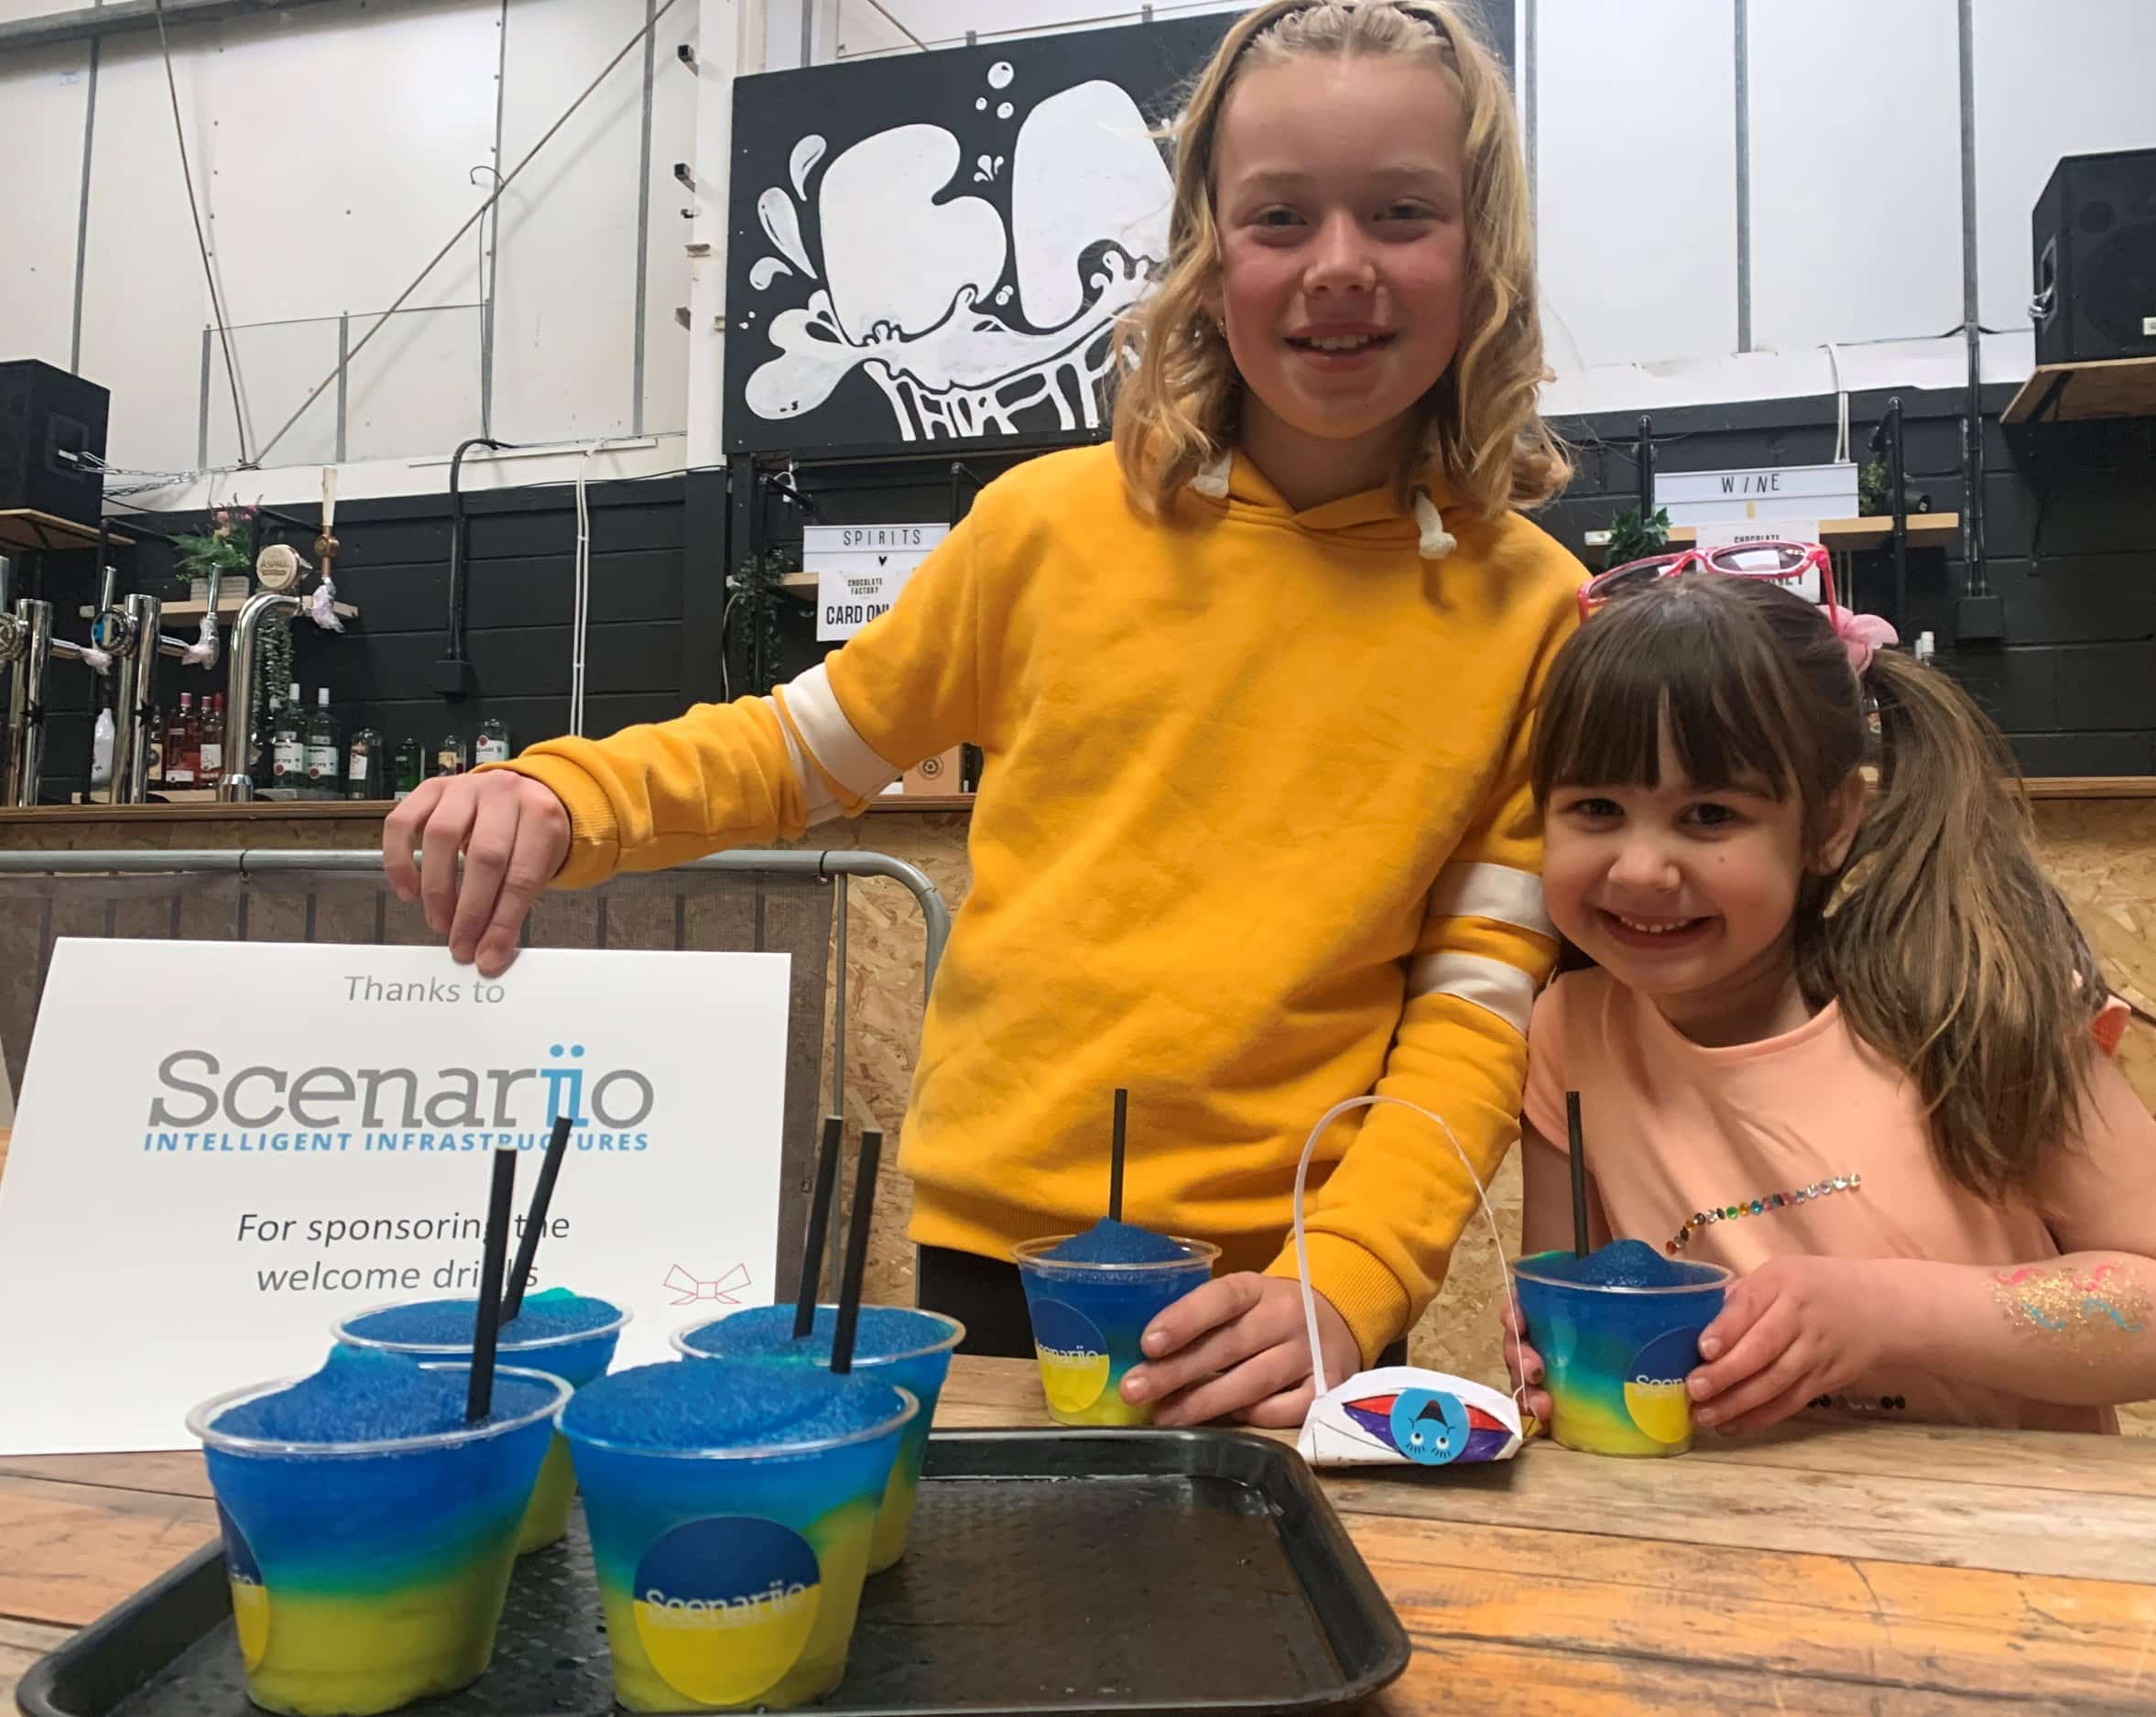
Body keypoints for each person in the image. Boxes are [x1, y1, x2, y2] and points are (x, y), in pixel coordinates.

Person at [384, 0, 1583, 1427]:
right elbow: (791, 749)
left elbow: (1474, 1008)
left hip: (1277, 1284)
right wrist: (566, 793)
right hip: (993, 1254)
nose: (1338, 267)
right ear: (1205, 248)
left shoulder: (1537, 614)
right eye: (1277, 218)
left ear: (1483, 246)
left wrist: (1356, 1268)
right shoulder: (1044, 529)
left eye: (1401, 212)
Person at [1507, 566, 2156, 1434]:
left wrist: (1886, 1312)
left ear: (1827, 825)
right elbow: (1577, 1299)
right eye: (1595, 807)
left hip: (2018, 1537)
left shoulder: (1966, 998)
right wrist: (1552, 1359)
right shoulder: (1569, 1033)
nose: (1640, 868)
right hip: (1738, 1537)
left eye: (1709, 815)